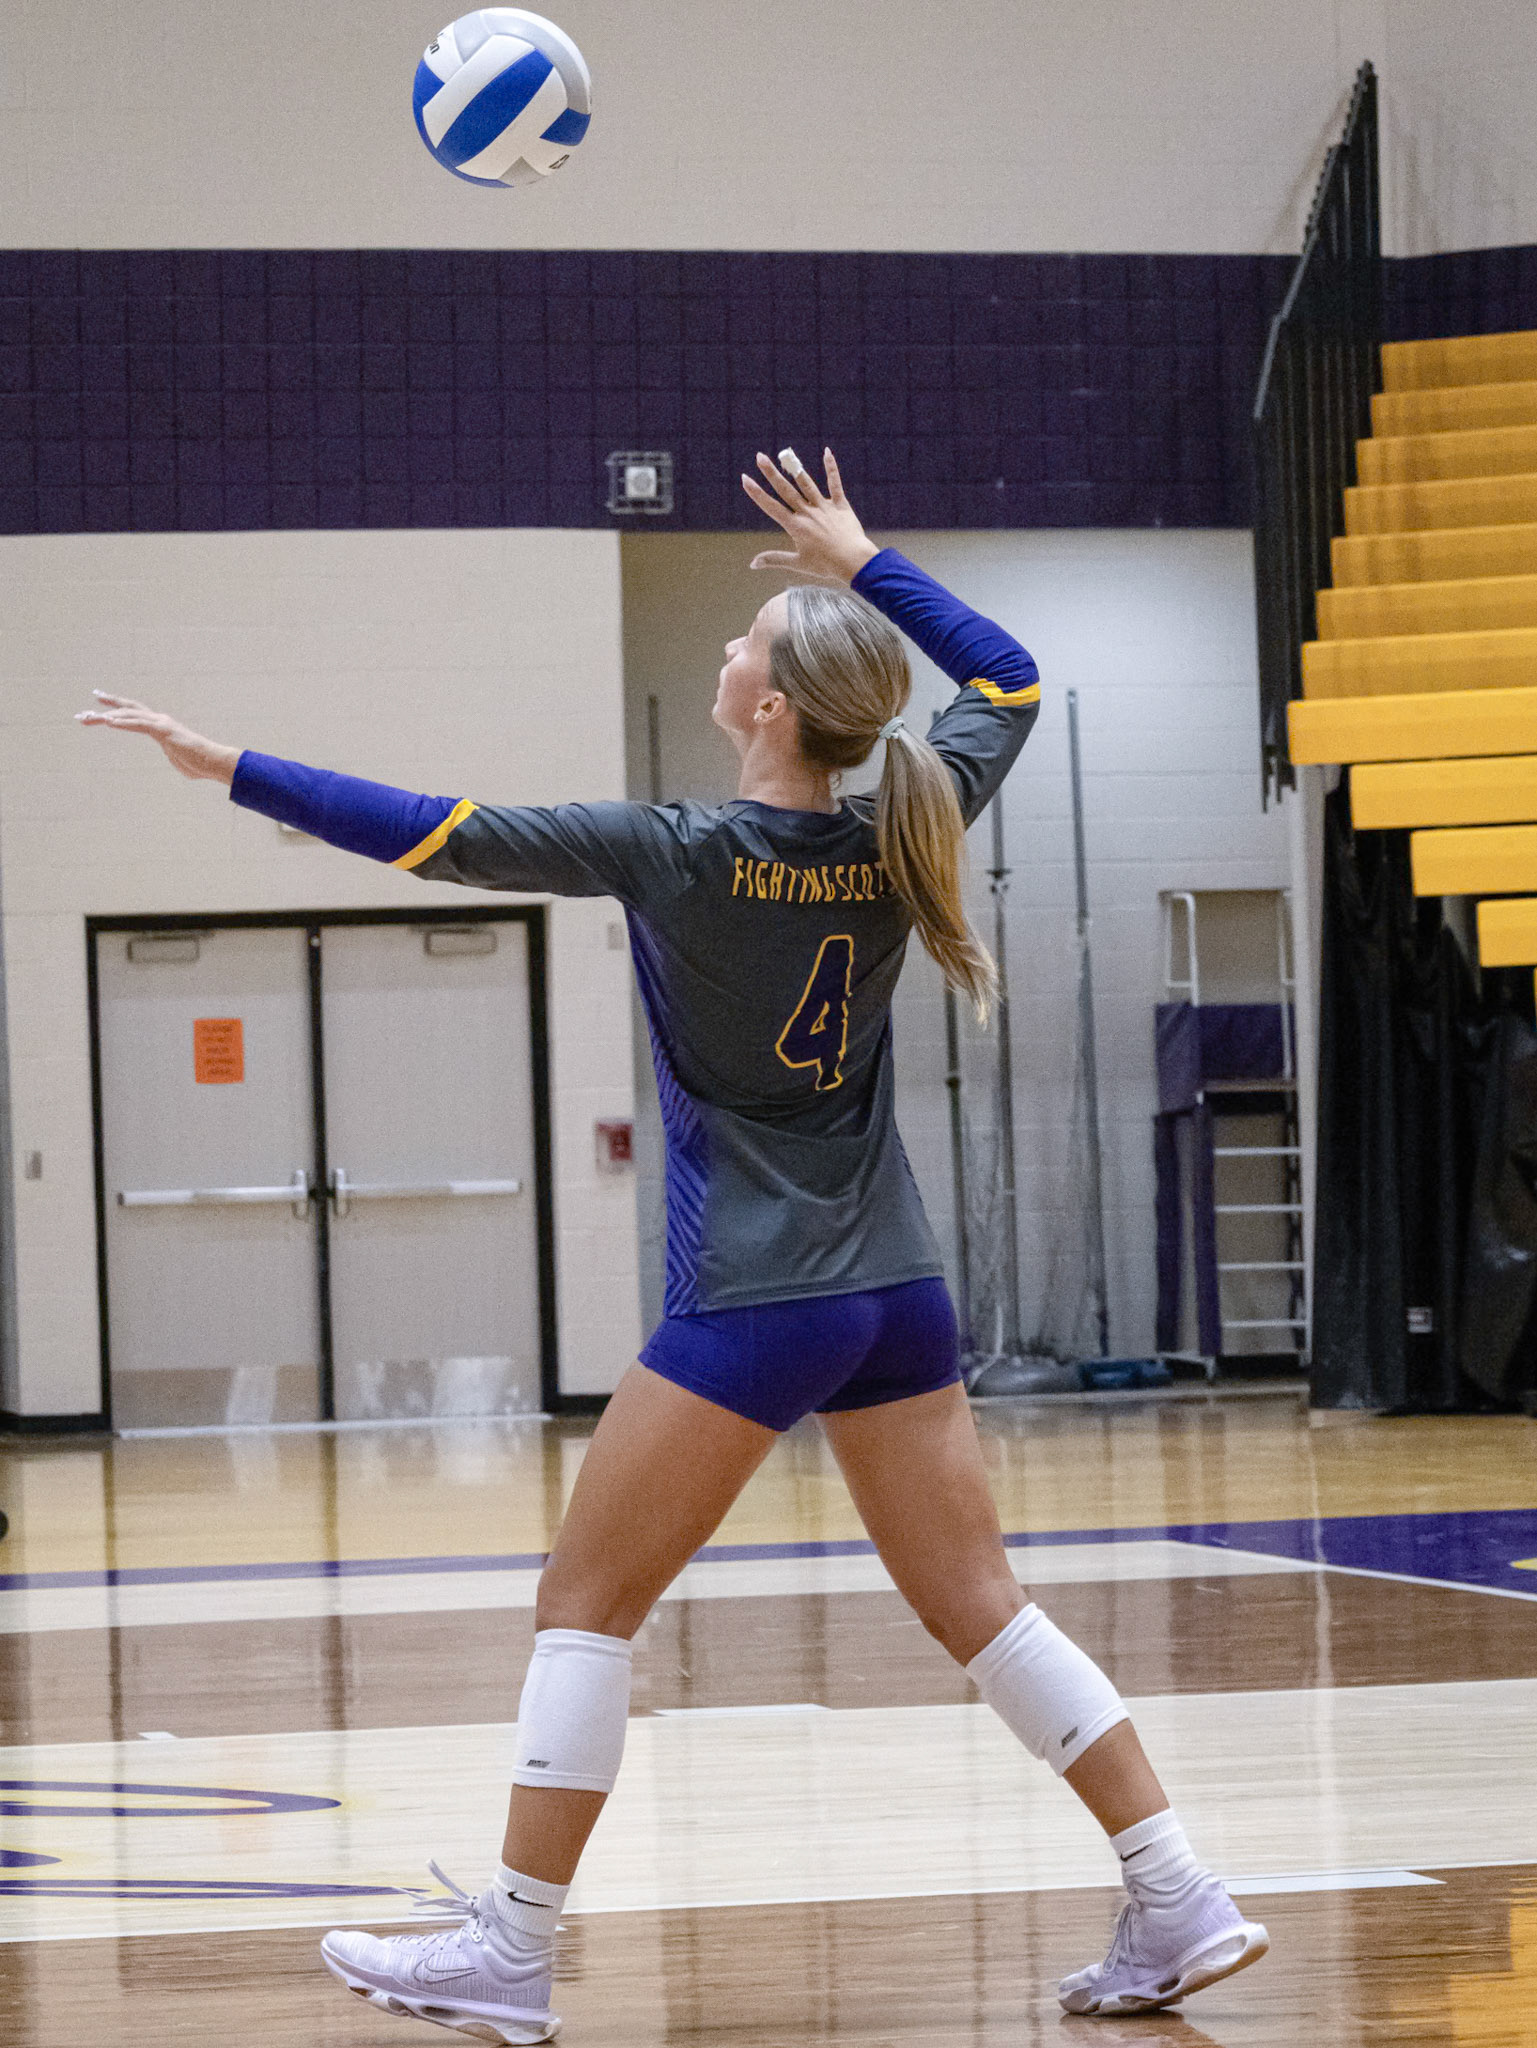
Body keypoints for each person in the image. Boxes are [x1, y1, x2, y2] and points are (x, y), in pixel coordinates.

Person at [80, 450, 1268, 2036]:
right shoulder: (906, 822)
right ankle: (1176, 1889)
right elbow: (1011, 678)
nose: (725, 648)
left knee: (583, 1604)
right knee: (984, 1605)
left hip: (758, 1293)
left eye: (743, 644)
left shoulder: (678, 849)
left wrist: (226, 763)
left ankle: (509, 1949)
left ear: (769, 708)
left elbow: (433, 833)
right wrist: (861, 560)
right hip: (896, 1289)